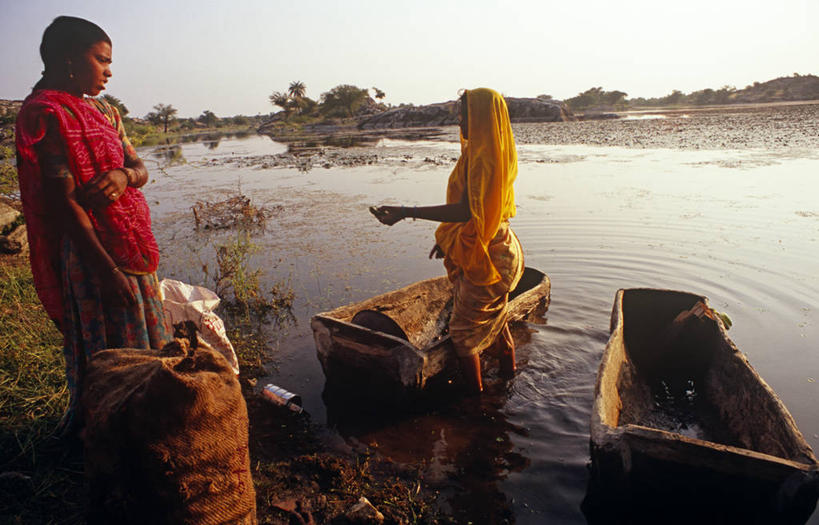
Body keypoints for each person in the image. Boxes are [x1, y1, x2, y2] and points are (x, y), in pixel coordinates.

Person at [15, 16, 171, 430]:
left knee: (144, 339)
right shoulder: (45, 113)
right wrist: (105, 271)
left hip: (132, 245)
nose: (109, 70)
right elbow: (63, 202)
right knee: (110, 348)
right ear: (69, 60)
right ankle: (111, 429)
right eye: (101, 60)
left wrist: (124, 176)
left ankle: (147, 422)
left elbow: (138, 166)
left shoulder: (106, 111)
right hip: (92, 257)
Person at [371, 88, 524, 393]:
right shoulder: (488, 151)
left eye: (465, 116)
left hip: (490, 258)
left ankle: (476, 404)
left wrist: (405, 211)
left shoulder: (484, 159)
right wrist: (449, 239)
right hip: (498, 248)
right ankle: (509, 380)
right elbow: (480, 214)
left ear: (480, 117)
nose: (461, 122)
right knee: (497, 322)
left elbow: (467, 209)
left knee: (463, 335)